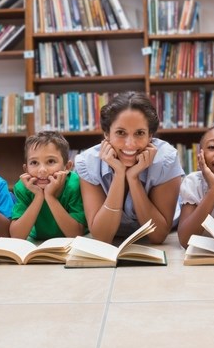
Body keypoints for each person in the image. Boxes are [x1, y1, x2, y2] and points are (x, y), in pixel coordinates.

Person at [74, 91, 184, 244]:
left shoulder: (165, 159)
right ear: (106, 134)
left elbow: (158, 236)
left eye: (139, 133)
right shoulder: (88, 162)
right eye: (120, 133)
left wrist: (133, 179)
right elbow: (102, 238)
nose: (130, 144)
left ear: (150, 135)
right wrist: (119, 175)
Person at [9, 131, 86, 240]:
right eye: (34, 163)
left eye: (50, 161)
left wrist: (50, 196)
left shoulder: (74, 185)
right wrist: (38, 197)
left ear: (67, 167)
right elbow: (16, 236)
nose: (42, 170)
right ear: (26, 169)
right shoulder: (23, 187)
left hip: (72, 244)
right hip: (39, 242)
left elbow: (76, 234)